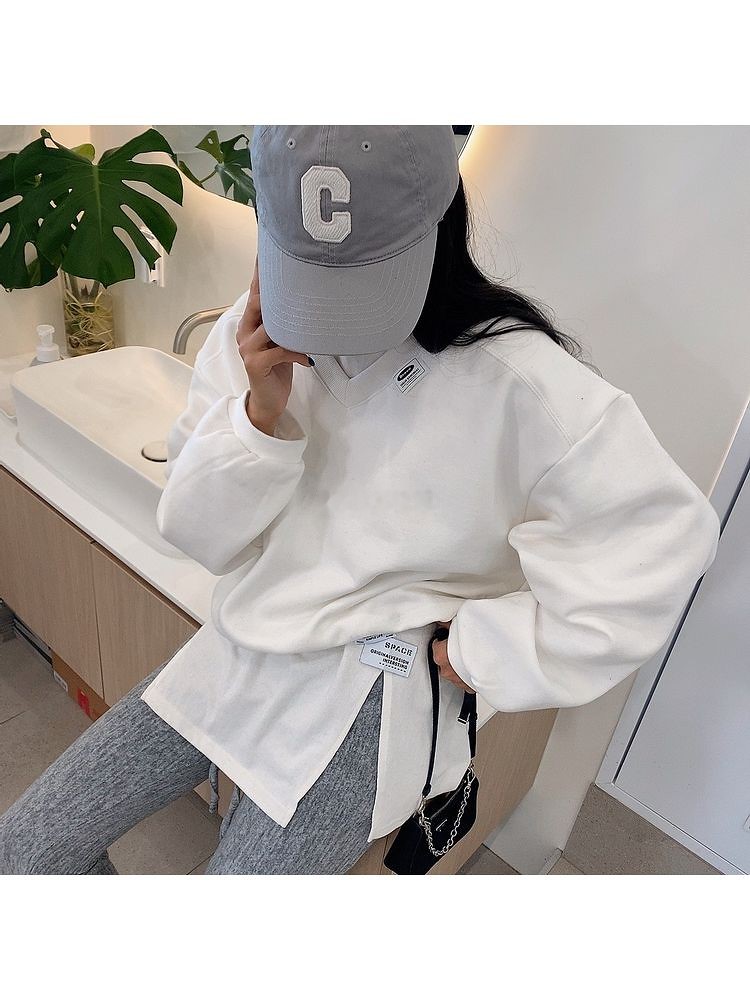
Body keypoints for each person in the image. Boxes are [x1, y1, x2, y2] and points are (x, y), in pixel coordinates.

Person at [0, 127, 720, 875]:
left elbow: (662, 544)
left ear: (437, 222)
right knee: (24, 851)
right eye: (309, 273)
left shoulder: (521, 384)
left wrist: (490, 649)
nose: (330, 322)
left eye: (362, 280)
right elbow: (196, 533)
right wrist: (258, 417)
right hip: (243, 648)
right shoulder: (250, 340)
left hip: (374, 688)